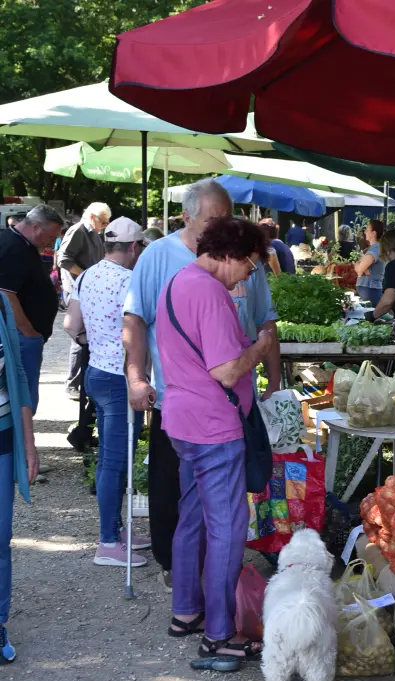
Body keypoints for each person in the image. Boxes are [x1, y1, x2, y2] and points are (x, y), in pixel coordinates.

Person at [123, 178, 281, 593]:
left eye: (227, 217)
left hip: (226, 407)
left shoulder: (237, 260)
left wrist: (274, 380)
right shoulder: (163, 259)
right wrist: (136, 377)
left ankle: (194, 595)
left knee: (205, 505)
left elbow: (265, 319)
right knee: (184, 498)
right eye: (214, 219)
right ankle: (192, 586)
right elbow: (134, 320)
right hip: (188, 404)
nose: (222, 226)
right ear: (186, 217)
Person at [155, 217, 273, 657]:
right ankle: (220, 635)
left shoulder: (179, 281)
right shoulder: (209, 292)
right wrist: (259, 347)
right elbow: (226, 370)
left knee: (193, 517)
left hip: (184, 421)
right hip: (213, 426)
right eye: (250, 264)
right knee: (227, 528)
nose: (248, 275)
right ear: (230, 255)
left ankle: (186, 611)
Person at [63, 218, 151, 567]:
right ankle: (108, 542)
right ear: (134, 247)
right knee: (115, 462)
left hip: (97, 372)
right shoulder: (131, 281)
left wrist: (94, 342)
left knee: (113, 459)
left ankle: (116, 530)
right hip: (121, 378)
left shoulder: (86, 275)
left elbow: (71, 325)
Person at [0, 292, 39, 663]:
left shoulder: (2, 303)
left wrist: (29, 444)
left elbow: (19, 374)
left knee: (0, 536)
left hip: (2, 438)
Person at [0, 204, 64, 414]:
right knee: (23, 399)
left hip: (24, 335)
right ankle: (22, 435)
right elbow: (5, 293)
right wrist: (27, 330)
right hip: (20, 336)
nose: (50, 243)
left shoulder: (23, 243)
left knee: (25, 397)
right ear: (36, 227)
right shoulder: (13, 247)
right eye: (50, 236)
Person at [58, 201, 111, 400]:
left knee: (87, 335)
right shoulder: (78, 230)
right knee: (79, 336)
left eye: (107, 222)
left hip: (89, 289)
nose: (105, 225)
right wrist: (86, 276)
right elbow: (63, 260)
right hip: (77, 290)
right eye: (103, 221)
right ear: (91, 216)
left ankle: (82, 383)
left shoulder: (94, 233)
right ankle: (72, 384)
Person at [354, 219, 385, 308]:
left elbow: (359, 270)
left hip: (370, 288)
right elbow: (360, 268)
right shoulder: (373, 248)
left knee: (371, 313)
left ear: (373, 233)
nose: (365, 232)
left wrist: (360, 267)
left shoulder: (375, 249)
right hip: (369, 288)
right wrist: (362, 268)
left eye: (367, 230)